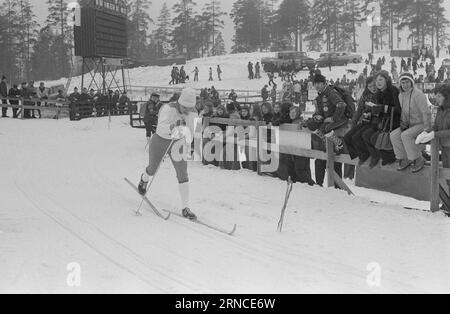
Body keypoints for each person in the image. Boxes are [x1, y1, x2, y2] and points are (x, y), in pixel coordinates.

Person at [137, 87, 199, 220]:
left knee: (183, 173)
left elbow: (192, 135)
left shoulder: (193, 113)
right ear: (179, 102)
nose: (187, 110)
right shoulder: (168, 108)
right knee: (153, 169)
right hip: (161, 140)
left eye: (190, 108)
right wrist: (173, 127)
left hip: (178, 142)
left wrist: (184, 132)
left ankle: (185, 208)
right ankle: (144, 179)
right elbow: (160, 128)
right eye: (184, 107)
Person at [390, 72, 432, 173]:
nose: (405, 85)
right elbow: (404, 112)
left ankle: (418, 158)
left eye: (407, 82)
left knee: (406, 135)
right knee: (394, 135)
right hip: (410, 125)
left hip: (421, 124)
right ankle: (404, 157)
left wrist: (427, 128)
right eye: (403, 83)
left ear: (411, 82)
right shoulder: (401, 95)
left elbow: (426, 112)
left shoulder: (418, 94)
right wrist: (403, 123)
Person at [362, 71, 401, 167]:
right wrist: (371, 111)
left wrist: (383, 108)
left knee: (374, 138)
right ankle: (383, 157)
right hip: (383, 123)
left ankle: (390, 157)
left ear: (386, 80)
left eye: (380, 79)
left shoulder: (393, 90)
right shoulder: (378, 93)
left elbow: (398, 109)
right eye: (376, 80)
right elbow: (380, 111)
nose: (378, 82)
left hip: (394, 122)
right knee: (366, 135)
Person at [344, 76, 378, 164]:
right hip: (366, 120)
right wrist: (353, 123)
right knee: (347, 137)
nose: (373, 88)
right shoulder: (365, 95)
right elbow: (359, 110)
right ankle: (359, 155)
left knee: (359, 136)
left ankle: (366, 155)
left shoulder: (380, 94)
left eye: (374, 85)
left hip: (375, 122)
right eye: (370, 86)